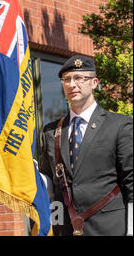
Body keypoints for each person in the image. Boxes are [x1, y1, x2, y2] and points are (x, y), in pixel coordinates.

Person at [40, 55, 133, 236]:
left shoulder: (119, 125)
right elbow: (50, 184)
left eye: (80, 78)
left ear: (94, 83)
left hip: (110, 228)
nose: (72, 84)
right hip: (66, 228)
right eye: (67, 79)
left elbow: (131, 181)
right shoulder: (51, 131)